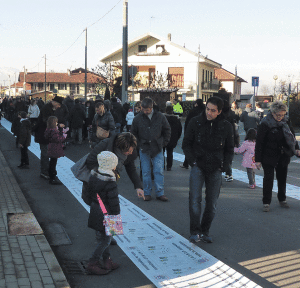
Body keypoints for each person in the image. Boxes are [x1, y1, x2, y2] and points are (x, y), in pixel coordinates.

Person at [182, 96, 234, 243]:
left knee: (211, 203)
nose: (209, 113)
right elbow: (186, 144)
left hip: (216, 168)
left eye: (213, 110)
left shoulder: (226, 126)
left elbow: (230, 149)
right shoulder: (195, 122)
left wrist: (225, 165)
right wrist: (192, 161)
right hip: (198, 165)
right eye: (207, 109)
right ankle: (195, 231)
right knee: (194, 200)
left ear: (219, 111)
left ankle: (205, 231)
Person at [255, 101, 300, 212]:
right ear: (272, 113)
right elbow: (259, 142)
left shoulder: (286, 121)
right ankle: (266, 202)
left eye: (282, 114)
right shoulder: (265, 123)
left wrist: (297, 148)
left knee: (282, 178)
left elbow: (292, 136)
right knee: (268, 179)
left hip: (283, 155)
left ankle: (282, 199)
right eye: (277, 115)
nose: (280, 117)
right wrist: (258, 160)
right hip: (268, 155)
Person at [85, 132, 145, 205]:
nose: (131, 153)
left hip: (111, 182)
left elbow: (131, 169)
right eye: (129, 151)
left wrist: (138, 187)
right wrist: (104, 172)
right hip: (97, 181)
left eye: (132, 150)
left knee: (108, 204)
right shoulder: (106, 144)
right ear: (121, 148)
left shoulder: (129, 152)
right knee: (97, 205)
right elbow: (90, 161)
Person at [85, 151, 120, 275]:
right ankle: (92, 263)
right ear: (111, 165)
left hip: (95, 209)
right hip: (107, 213)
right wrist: (116, 216)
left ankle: (107, 260)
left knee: (103, 236)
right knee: (106, 239)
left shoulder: (94, 175)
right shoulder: (110, 181)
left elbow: (88, 194)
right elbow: (113, 201)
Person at [131, 97, 171, 202]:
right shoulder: (138, 118)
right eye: (143, 109)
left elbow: (167, 130)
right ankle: (147, 192)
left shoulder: (160, 117)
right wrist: (138, 145)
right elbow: (133, 133)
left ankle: (160, 193)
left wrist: (163, 143)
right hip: (144, 147)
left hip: (157, 147)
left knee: (159, 171)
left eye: (147, 109)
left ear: (151, 107)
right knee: (145, 171)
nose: (145, 111)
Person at [35, 96, 64, 180]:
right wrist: (57, 125)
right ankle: (44, 172)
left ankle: (46, 171)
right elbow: (47, 121)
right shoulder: (46, 108)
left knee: (47, 153)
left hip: (46, 134)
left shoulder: (50, 108)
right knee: (45, 154)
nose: (58, 107)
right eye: (58, 105)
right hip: (43, 134)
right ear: (54, 102)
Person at [180, 99, 205, 169]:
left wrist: (186, 132)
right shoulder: (204, 111)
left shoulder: (192, 111)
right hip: (202, 133)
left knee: (189, 148)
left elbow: (187, 122)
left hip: (192, 132)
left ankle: (187, 163)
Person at [44, 116, 66, 185]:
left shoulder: (49, 129)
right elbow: (58, 139)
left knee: (52, 162)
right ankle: (53, 177)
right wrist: (63, 135)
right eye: (56, 122)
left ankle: (52, 176)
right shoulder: (54, 131)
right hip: (55, 148)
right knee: (53, 162)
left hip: (51, 147)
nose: (57, 123)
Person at [222, 100, 240, 182]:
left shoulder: (219, 116)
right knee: (228, 158)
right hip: (230, 139)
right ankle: (228, 174)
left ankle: (223, 174)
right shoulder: (232, 115)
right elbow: (235, 131)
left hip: (221, 139)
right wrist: (236, 142)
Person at [164, 105, 182, 171]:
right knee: (170, 152)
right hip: (172, 138)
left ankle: (162, 165)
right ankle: (169, 166)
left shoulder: (163, 118)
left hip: (163, 137)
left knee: (161, 151)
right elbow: (180, 129)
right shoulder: (176, 119)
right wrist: (177, 138)